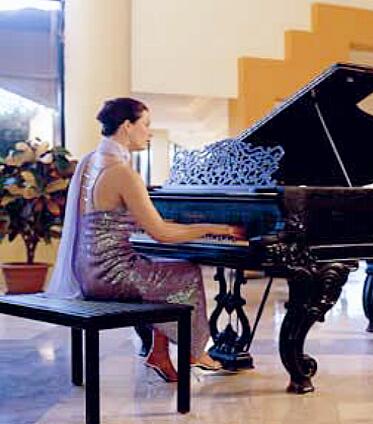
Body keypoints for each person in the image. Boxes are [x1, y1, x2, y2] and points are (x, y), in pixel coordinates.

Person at [46, 97, 243, 382]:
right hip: (111, 277)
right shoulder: (123, 173)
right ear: (127, 126)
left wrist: (184, 226)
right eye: (146, 125)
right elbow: (161, 233)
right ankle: (194, 352)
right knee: (187, 272)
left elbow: (115, 223)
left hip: (87, 270)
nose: (149, 132)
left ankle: (159, 353)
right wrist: (217, 228)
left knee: (160, 267)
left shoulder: (91, 160)